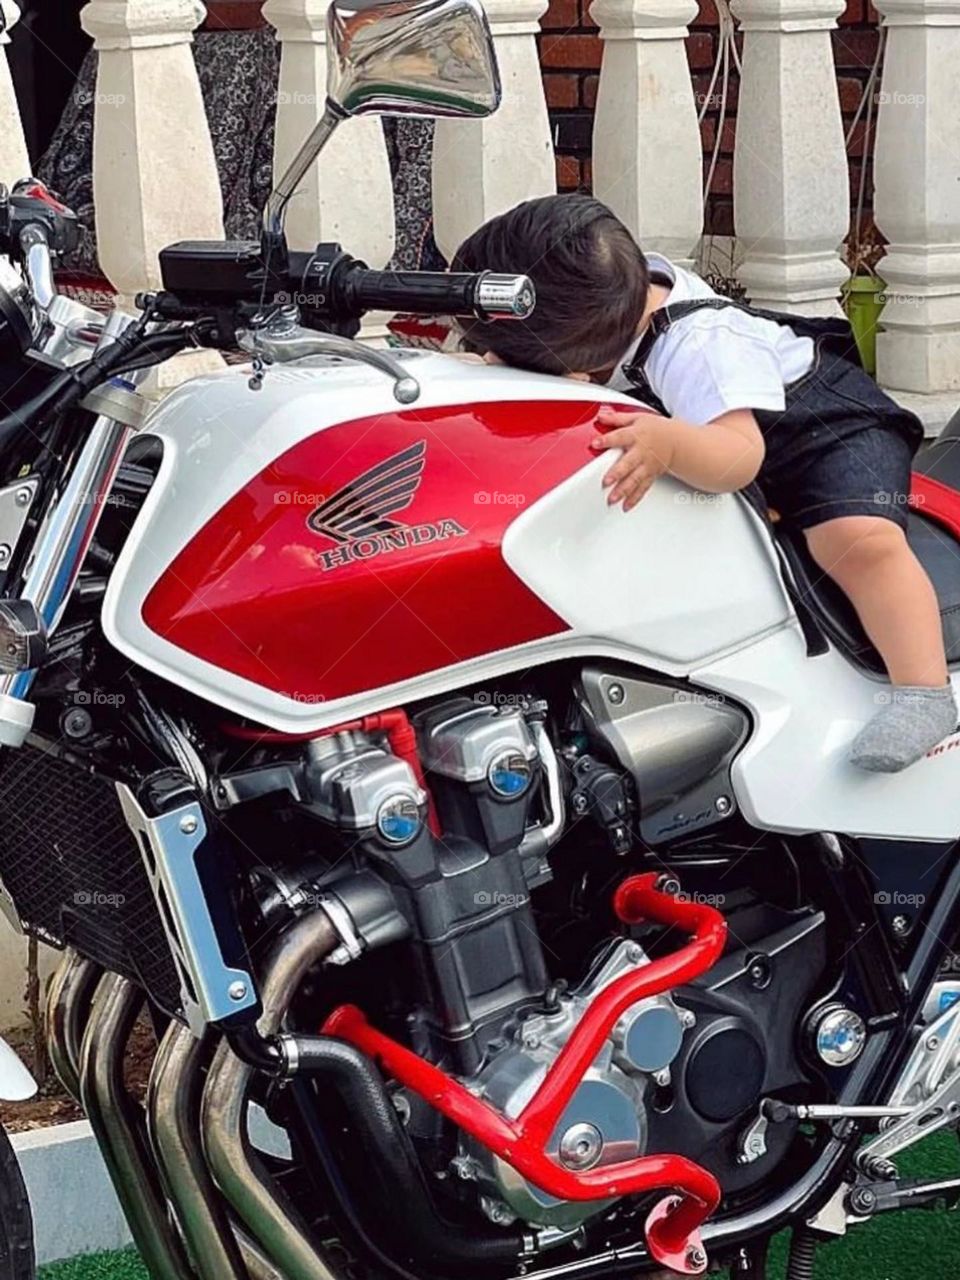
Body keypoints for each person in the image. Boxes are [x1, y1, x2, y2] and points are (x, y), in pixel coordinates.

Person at [452, 194, 957, 772]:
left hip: (819, 432)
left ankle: (924, 691)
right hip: (715, 426)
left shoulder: (701, 347)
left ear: (580, 357)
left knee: (856, 540)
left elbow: (740, 456)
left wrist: (666, 443)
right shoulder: (612, 295)